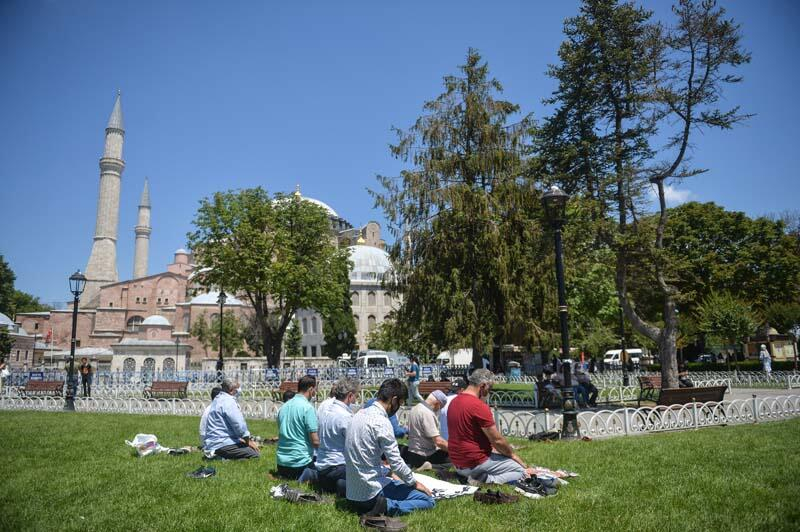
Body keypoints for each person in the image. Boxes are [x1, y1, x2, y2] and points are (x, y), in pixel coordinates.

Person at [345, 378, 434, 516]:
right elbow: (396, 463)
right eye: (400, 403)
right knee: (427, 500)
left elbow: (363, 459)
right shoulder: (382, 422)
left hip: (352, 494)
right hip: (371, 494)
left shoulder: (358, 415)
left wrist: (389, 473)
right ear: (394, 400)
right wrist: (414, 483)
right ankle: (386, 507)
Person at [447, 369, 534, 484]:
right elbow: (497, 440)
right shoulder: (478, 406)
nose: (489, 392)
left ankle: (472, 476)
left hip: (458, 463)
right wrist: (513, 455)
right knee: (521, 471)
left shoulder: (454, 401)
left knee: (503, 461)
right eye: (490, 388)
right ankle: (486, 480)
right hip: (474, 463)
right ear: (483, 386)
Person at [316, 378, 360, 495]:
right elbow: (355, 447)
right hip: (338, 467)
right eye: (356, 395)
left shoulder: (325, 410)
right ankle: (343, 486)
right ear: (350, 395)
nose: (357, 399)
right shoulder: (345, 417)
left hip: (322, 468)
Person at [203, 378, 260, 459]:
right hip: (222, 443)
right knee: (254, 454)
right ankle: (221, 458)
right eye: (238, 388)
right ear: (231, 390)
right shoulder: (229, 401)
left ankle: (219, 455)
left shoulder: (218, 399)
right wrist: (248, 442)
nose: (239, 390)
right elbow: (239, 425)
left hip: (213, 442)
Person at [276, 375, 319, 480]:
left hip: (281, 464)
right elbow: (315, 442)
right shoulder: (308, 408)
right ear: (311, 389)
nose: (316, 393)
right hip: (300, 464)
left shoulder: (284, 407)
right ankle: (306, 475)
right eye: (315, 390)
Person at [405, 390, 450, 470]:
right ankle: (431, 466)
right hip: (424, 455)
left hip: (412, 453)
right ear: (437, 404)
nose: (438, 410)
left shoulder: (415, 408)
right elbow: (438, 441)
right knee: (456, 460)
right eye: (440, 408)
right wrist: (455, 450)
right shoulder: (427, 413)